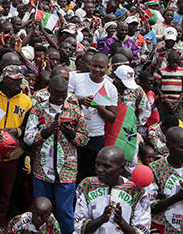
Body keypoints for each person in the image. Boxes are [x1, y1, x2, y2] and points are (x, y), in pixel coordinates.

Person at [24, 75, 88, 234]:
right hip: (42, 168)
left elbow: (85, 139)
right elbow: (28, 138)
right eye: (56, 94)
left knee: (65, 210)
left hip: (67, 169)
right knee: (42, 208)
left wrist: (71, 134)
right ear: (49, 91)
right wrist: (46, 132)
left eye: (63, 94)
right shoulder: (38, 109)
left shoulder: (74, 110)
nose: (60, 98)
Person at [0, 65, 32, 227]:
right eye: (15, 80)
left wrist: (17, 131)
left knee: (5, 195)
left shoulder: (26, 101)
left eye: (20, 79)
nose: (19, 83)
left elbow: (28, 127)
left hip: (13, 155)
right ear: (5, 79)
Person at [74, 146, 151, 234]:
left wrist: (121, 222)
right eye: (97, 164)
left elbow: (143, 231)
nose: (99, 169)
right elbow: (78, 225)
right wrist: (101, 220)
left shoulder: (136, 191)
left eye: (107, 166)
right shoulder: (87, 185)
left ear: (121, 167)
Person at [69, 52, 118, 182]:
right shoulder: (76, 79)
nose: (97, 70)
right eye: (94, 66)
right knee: (72, 171)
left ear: (107, 68)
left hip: (95, 137)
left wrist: (99, 107)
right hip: (74, 133)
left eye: (101, 67)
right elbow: (65, 100)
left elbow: (112, 117)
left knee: (91, 173)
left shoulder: (110, 88)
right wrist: (80, 101)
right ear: (89, 65)